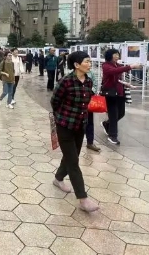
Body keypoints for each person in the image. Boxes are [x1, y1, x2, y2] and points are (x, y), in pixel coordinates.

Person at [50, 51, 99, 212]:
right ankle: (83, 199)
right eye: (87, 61)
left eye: (90, 61)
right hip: (65, 126)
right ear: (77, 65)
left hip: (80, 125)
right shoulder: (66, 81)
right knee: (73, 161)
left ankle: (58, 178)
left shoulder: (89, 81)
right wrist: (61, 117)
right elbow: (54, 101)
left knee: (72, 156)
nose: (90, 64)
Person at [100, 48, 141, 146]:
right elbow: (115, 71)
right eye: (115, 54)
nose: (117, 56)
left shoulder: (117, 65)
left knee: (121, 113)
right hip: (110, 93)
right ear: (109, 56)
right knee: (113, 115)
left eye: (118, 55)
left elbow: (118, 78)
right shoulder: (106, 66)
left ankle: (107, 124)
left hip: (120, 92)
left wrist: (127, 84)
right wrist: (131, 66)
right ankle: (112, 136)